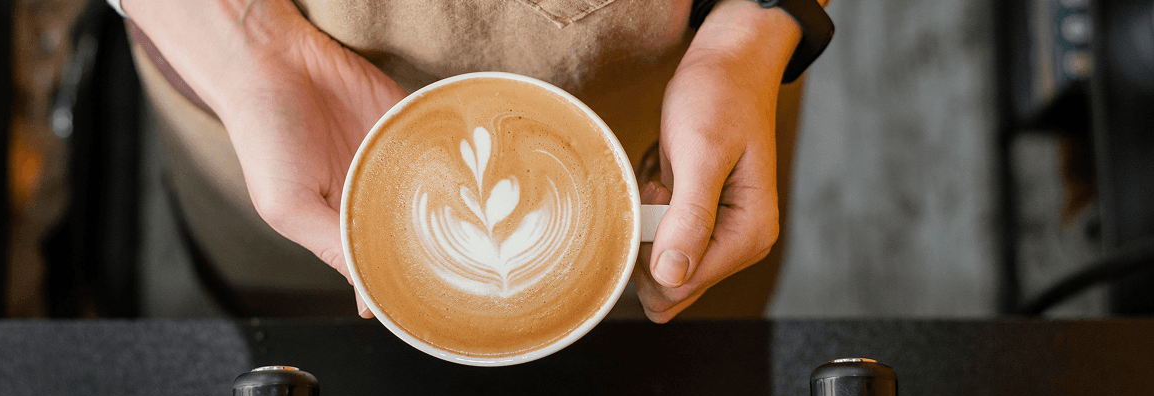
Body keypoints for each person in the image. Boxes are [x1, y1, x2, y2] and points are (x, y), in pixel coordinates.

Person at [118, 0, 828, 322]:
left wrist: (751, 30)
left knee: (675, 356)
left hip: (659, 108)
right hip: (263, 89)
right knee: (308, 340)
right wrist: (243, 38)